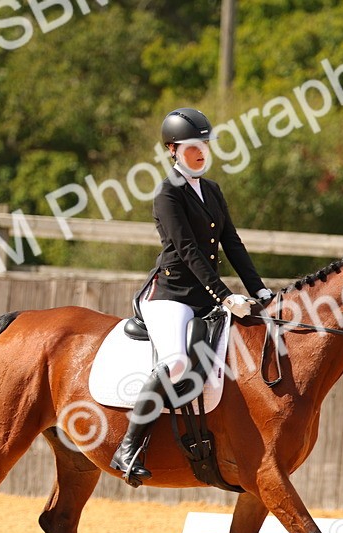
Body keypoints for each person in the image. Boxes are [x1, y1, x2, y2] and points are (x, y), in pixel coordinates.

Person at [109, 107, 274, 485]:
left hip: (204, 297)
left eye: (204, 145)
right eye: (192, 147)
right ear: (173, 150)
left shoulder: (212, 190)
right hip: (171, 295)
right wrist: (225, 295)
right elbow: (187, 251)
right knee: (177, 363)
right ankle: (128, 448)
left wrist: (259, 289)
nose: (201, 152)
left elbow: (233, 243)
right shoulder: (167, 193)